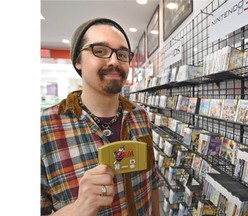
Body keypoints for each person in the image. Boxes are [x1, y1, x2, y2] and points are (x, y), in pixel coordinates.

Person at [41, 18, 160, 216]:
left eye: (122, 54)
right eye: (100, 51)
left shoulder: (139, 116)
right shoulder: (46, 127)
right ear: (78, 61)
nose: (114, 61)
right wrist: (79, 208)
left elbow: (151, 182)